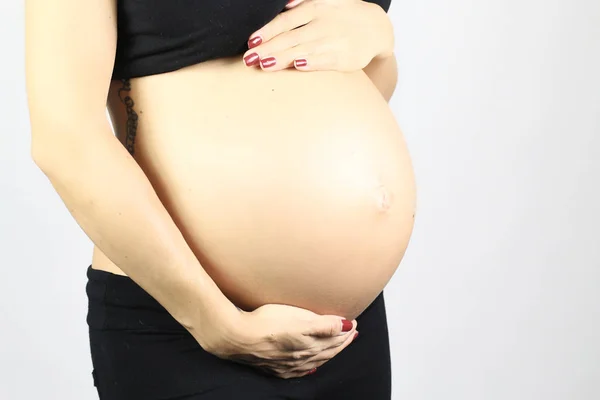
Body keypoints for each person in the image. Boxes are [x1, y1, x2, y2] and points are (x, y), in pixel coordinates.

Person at [24, 0, 416, 398]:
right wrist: (212, 322)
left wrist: (378, 37)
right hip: (186, 324)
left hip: (345, 335)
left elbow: (354, 82)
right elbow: (65, 138)